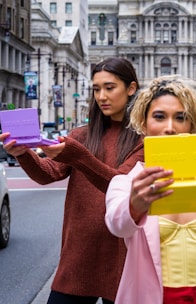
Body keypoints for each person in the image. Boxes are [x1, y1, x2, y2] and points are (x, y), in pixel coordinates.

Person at [0, 57, 144, 304]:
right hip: (78, 256)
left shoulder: (143, 140)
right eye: (96, 89)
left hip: (124, 256)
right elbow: (47, 174)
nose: (102, 96)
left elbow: (120, 184)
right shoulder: (81, 135)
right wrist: (22, 153)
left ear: (131, 89)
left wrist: (77, 155)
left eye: (110, 88)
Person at [104, 76, 196, 304]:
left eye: (180, 118)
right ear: (144, 123)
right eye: (159, 117)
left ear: (191, 125)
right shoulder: (127, 183)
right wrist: (134, 204)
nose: (170, 128)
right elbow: (117, 226)